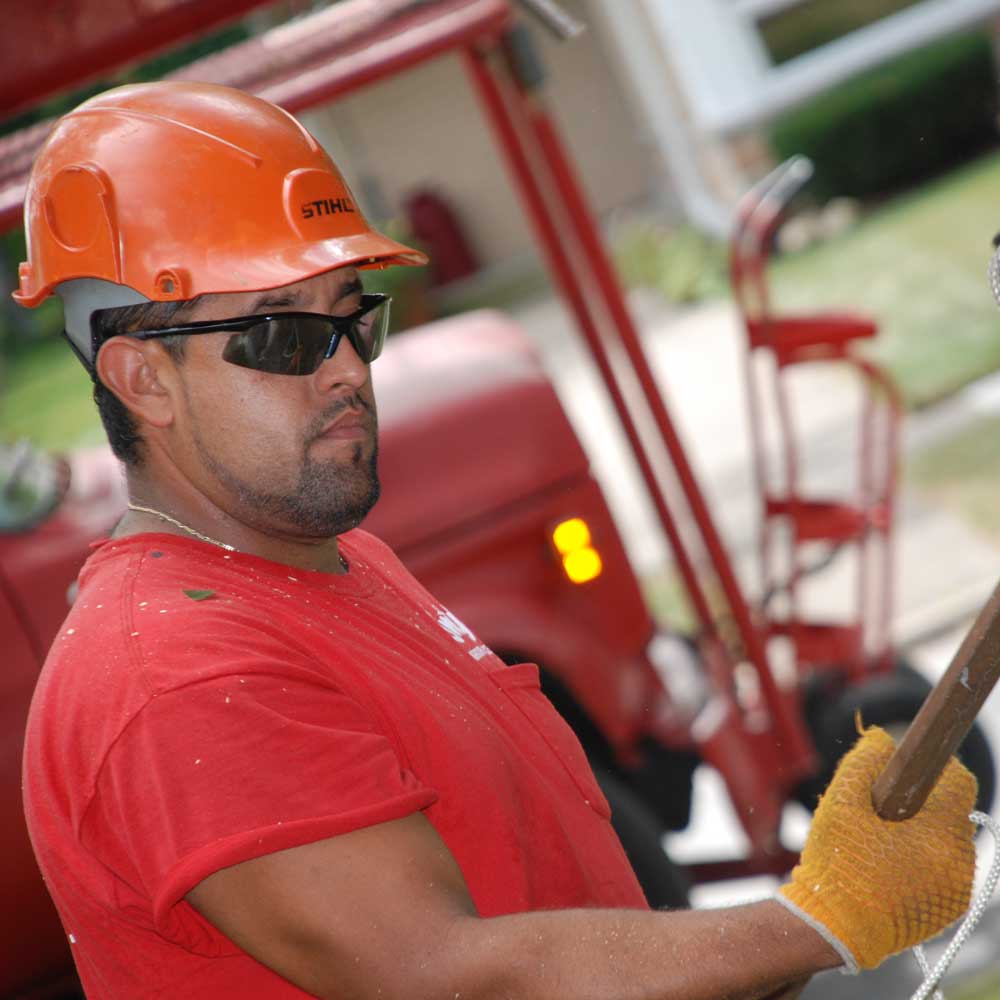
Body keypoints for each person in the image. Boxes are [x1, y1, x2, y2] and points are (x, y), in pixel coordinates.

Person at [18, 81, 978, 1000]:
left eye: (354, 317)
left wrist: (768, 951)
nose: (347, 368)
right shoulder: (179, 677)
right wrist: (818, 920)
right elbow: (439, 974)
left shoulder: (331, 561)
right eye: (283, 339)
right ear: (142, 380)